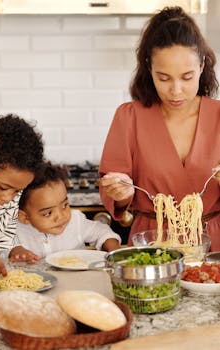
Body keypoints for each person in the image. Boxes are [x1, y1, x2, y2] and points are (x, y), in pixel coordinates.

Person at [99, 6, 220, 250]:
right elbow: (117, 200)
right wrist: (120, 193)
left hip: (214, 245)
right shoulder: (128, 117)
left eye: (186, 77)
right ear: (148, 68)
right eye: (163, 78)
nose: (175, 91)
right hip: (151, 242)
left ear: (202, 66)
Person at [9, 162, 121, 263]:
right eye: (48, 213)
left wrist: (113, 249)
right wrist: (14, 250)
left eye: (64, 205)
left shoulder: (76, 221)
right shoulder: (11, 230)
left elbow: (102, 232)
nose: (61, 216)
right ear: (24, 217)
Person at [0, 113, 44, 276]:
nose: (8, 199)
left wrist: (13, 250)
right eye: (3, 187)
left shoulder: (4, 204)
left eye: (17, 191)